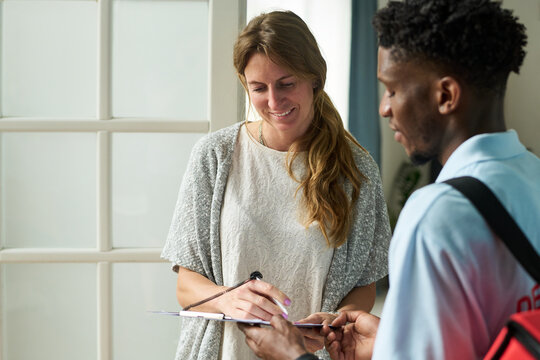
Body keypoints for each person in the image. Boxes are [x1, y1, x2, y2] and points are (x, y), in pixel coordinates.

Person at [238, 0, 540, 359]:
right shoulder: (532, 176)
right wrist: (389, 344)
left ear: (445, 96)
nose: (384, 107)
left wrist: (292, 354)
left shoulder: (436, 215)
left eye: (393, 89)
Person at [161, 10, 391, 360]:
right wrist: (226, 299)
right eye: (259, 88)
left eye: (286, 84)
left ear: (314, 78)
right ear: (245, 86)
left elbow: (364, 286)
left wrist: (333, 320)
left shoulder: (356, 169)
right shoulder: (215, 156)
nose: (274, 101)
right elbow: (186, 287)